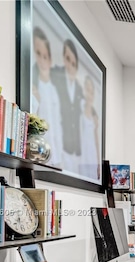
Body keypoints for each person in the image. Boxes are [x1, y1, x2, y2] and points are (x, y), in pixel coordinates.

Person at [32, 26, 63, 168]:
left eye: (45, 55)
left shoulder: (55, 91)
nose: (42, 59)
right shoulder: (33, 88)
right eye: (38, 54)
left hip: (54, 157)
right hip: (37, 155)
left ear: (50, 59)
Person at [52, 39, 84, 174]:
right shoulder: (55, 77)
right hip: (59, 145)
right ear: (63, 60)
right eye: (67, 59)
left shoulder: (79, 89)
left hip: (75, 150)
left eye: (73, 63)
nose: (70, 66)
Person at [79, 75, 101, 180]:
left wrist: (98, 164)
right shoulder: (79, 108)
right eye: (87, 89)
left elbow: (96, 142)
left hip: (91, 157)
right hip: (82, 158)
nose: (89, 94)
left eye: (92, 91)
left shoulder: (94, 115)